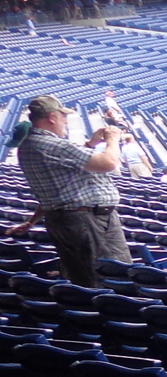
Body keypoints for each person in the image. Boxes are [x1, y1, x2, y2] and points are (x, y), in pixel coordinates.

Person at [7, 93, 132, 287]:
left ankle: (88, 314)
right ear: (52, 117)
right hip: (90, 221)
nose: (65, 120)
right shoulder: (52, 144)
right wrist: (112, 140)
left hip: (64, 220)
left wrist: (91, 144)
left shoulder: (28, 146)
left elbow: (58, 187)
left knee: (82, 278)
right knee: (112, 278)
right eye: (63, 116)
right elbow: (108, 162)